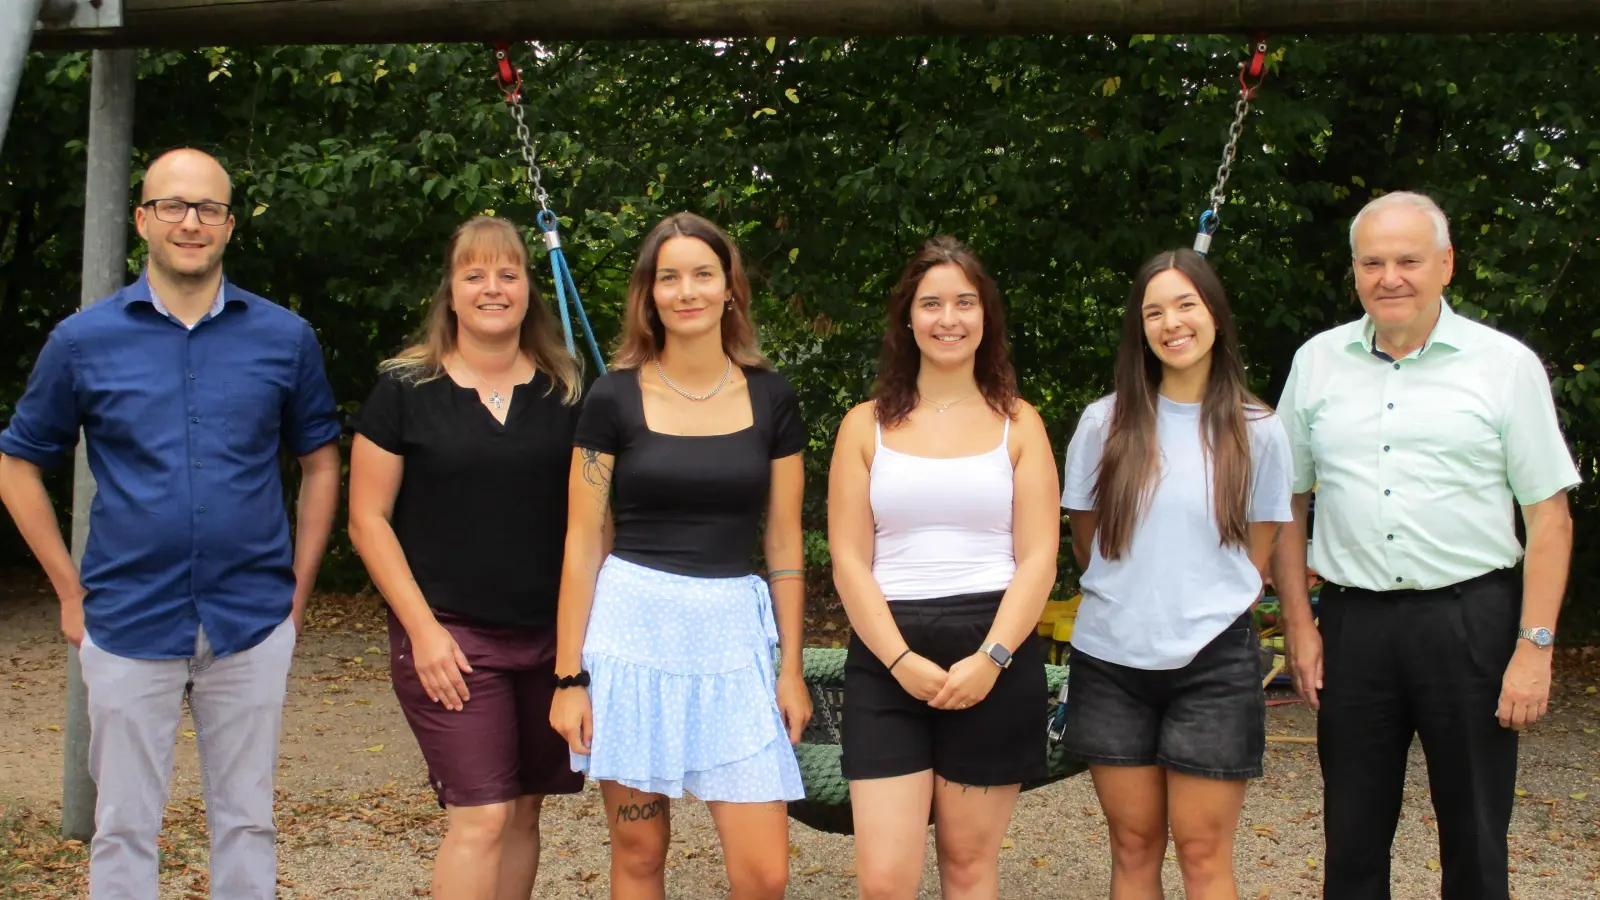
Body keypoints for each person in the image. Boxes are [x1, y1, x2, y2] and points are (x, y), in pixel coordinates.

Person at [0, 148, 342, 900]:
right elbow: (18, 464)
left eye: (210, 208)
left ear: (228, 223)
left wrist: (299, 587)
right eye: (174, 206)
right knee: (123, 826)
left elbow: (321, 462)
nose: (192, 222)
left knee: (248, 820)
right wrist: (66, 589)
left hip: (251, 620)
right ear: (143, 219)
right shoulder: (82, 341)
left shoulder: (285, 338)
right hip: (125, 619)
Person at [1271, 191, 1578, 900]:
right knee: (1350, 837)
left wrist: (1535, 646)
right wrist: (1299, 625)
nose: (1390, 277)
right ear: (1354, 271)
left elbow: (1549, 518)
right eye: (1372, 262)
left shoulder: (1505, 367)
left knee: (1474, 835)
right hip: (1354, 626)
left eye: (1408, 260)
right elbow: (1283, 502)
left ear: (1445, 264)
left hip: (1471, 622)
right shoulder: (1318, 363)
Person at [548, 211, 811, 900]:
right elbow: (582, 540)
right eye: (669, 277)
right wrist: (569, 675)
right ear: (649, 294)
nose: (686, 290)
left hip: (734, 638)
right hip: (633, 635)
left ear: (730, 290)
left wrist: (790, 669)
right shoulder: (612, 399)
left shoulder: (772, 397)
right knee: (639, 853)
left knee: (764, 874)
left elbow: (784, 541)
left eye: (703, 274)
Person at [347, 216, 586, 900]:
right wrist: (422, 631)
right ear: (449, 294)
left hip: (551, 639)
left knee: (525, 807)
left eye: (508, 274)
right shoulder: (404, 390)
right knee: (481, 814)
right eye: (474, 274)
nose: (492, 288)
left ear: (528, 291)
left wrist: (580, 645)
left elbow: (592, 524)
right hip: (453, 636)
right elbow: (367, 520)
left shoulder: (566, 393)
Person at [827, 236, 1059, 900]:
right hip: (886, 657)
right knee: (885, 881)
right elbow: (847, 558)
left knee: (967, 867)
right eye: (932, 304)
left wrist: (992, 657)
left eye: (965, 302)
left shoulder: (1020, 424)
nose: (948, 318)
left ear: (986, 317)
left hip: (994, 655)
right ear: (908, 318)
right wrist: (899, 660)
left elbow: (1040, 558)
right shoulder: (861, 426)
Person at [1059, 248, 1293, 900]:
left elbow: (1258, 552)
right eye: (1154, 311)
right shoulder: (1102, 424)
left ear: (1214, 313)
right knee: (1133, 849)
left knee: (1202, 852)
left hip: (1215, 665)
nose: (1172, 323)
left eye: (1186, 304)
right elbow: (1089, 544)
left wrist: (1196, 599)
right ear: (1140, 327)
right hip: (1111, 663)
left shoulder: (1260, 432)